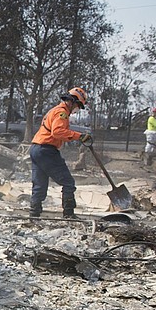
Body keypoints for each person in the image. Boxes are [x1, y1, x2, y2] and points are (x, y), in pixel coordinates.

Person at [29, 87, 91, 218]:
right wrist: (79, 136)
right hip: (46, 150)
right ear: (71, 101)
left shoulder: (55, 110)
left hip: (36, 149)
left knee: (39, 184)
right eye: (78, 106)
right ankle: (68, 213)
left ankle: (34, 214)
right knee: (68, 182)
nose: (77, 110)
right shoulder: (61, 113)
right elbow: (57, 132)